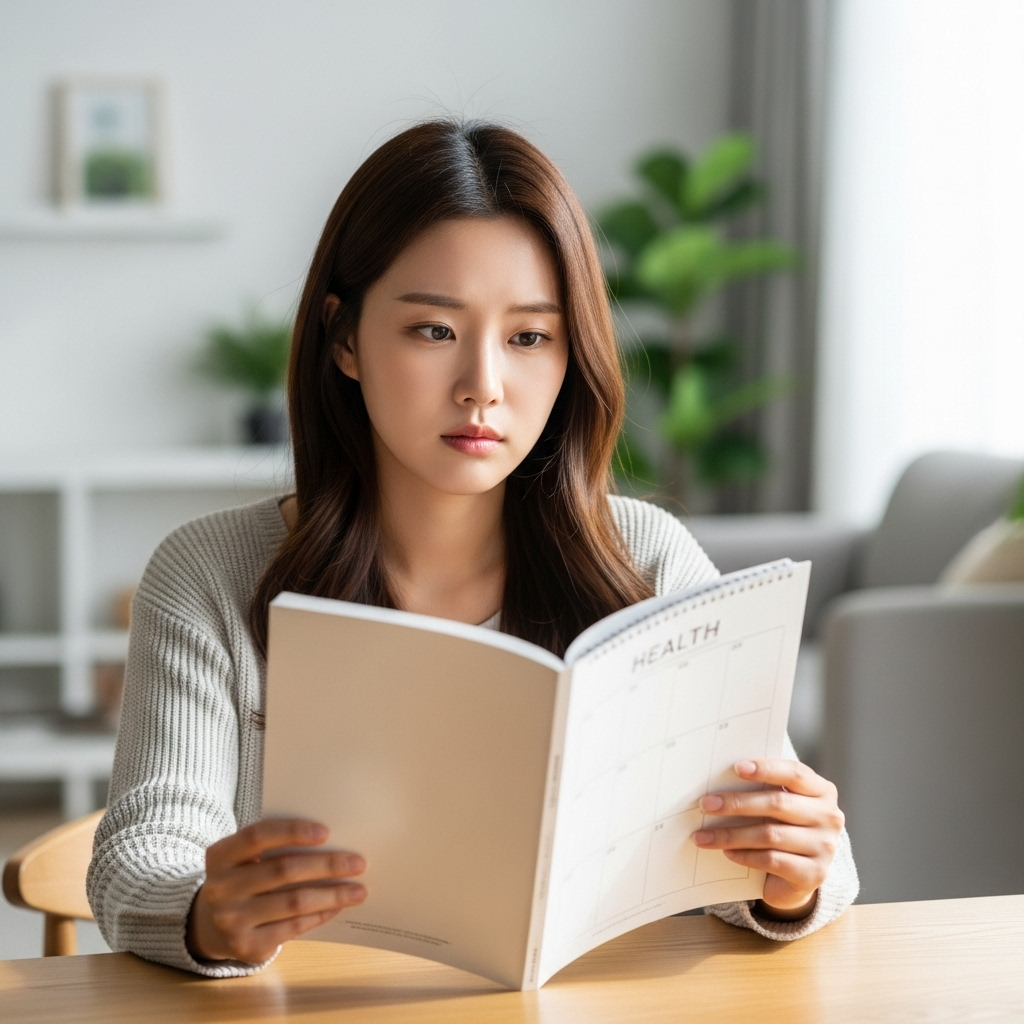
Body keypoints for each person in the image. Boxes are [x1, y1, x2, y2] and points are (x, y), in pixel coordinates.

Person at [87, 120, 857, 976]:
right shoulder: (210, 573)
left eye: (529, 337)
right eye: (434, 331)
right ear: (343, 338)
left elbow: (785, 860)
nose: (483, 387)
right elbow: (141, 853)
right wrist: (204, 913)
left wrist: (789, 873)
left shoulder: (648, 562)